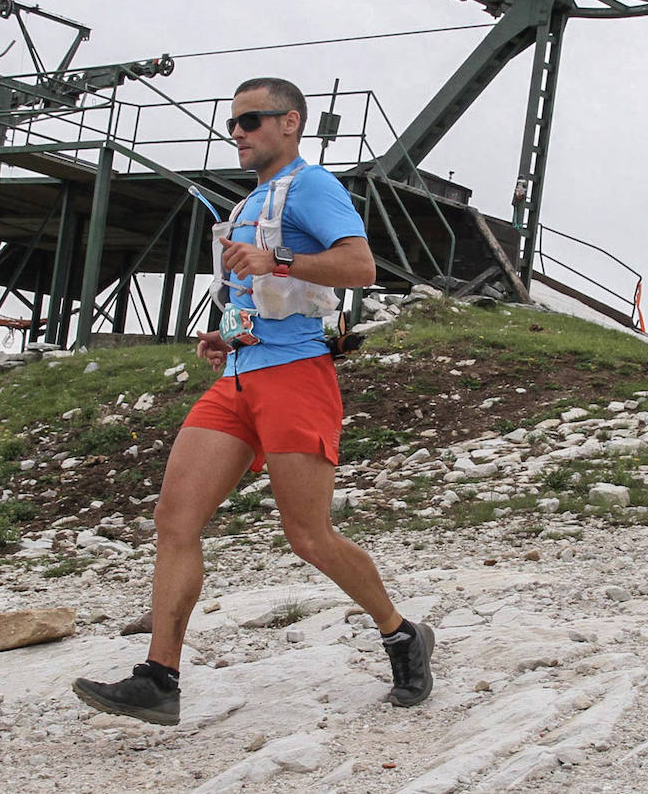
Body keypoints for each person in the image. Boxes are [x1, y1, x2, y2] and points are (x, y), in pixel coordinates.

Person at [72, 77, 434, 726]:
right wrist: (228, 332)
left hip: (298, 377)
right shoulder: (255, 202)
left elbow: (360, 268)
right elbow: (265, 294)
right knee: (174, 522)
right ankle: (160, 677)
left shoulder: (314, 186)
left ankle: (401, 632)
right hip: (238, 376)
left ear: (290, 122)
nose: (235, 133)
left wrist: (281, 261)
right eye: (232, 124)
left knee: (309, 536)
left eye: (249, 121)